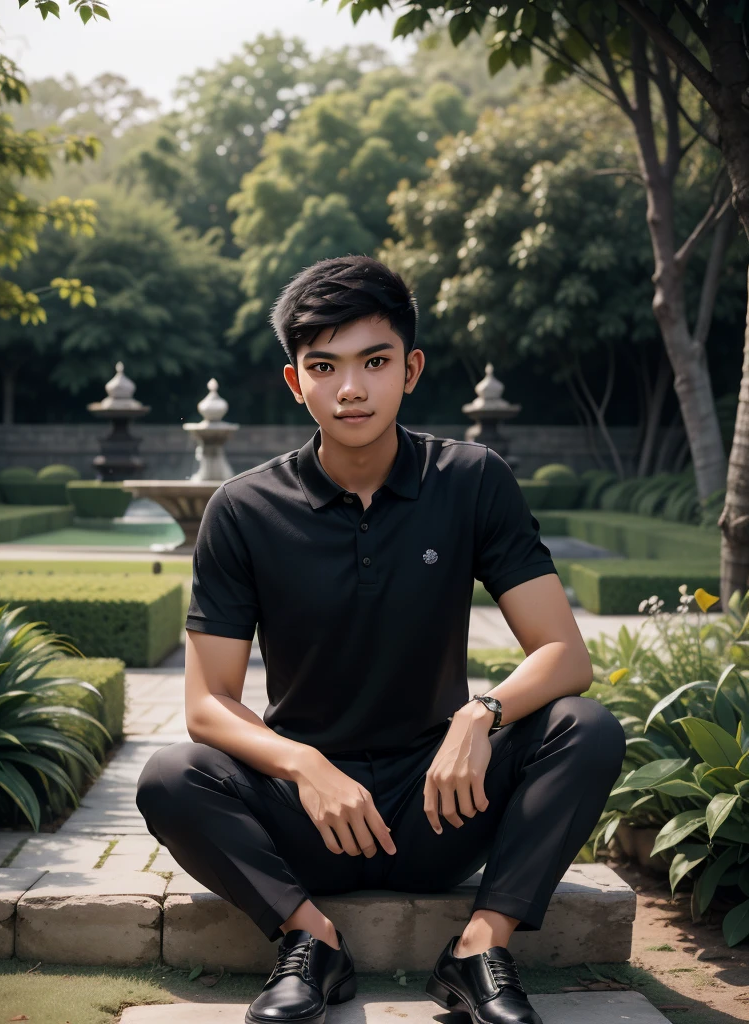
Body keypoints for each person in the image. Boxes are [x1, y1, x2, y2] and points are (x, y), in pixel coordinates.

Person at [135, 254, 626, 1024]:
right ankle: (310, 940)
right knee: (170, 775)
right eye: (324, 367)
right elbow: (208, 706)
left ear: (411, 368)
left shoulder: (472, 479)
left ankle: (479, 948)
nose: (352, 388)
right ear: (297, 382)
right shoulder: (241, 507)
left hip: (443, 805)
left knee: (586, 729)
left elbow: (566, 654)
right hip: (311, 816)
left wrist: (479, 717)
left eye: (374, 361)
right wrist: (303, 766)